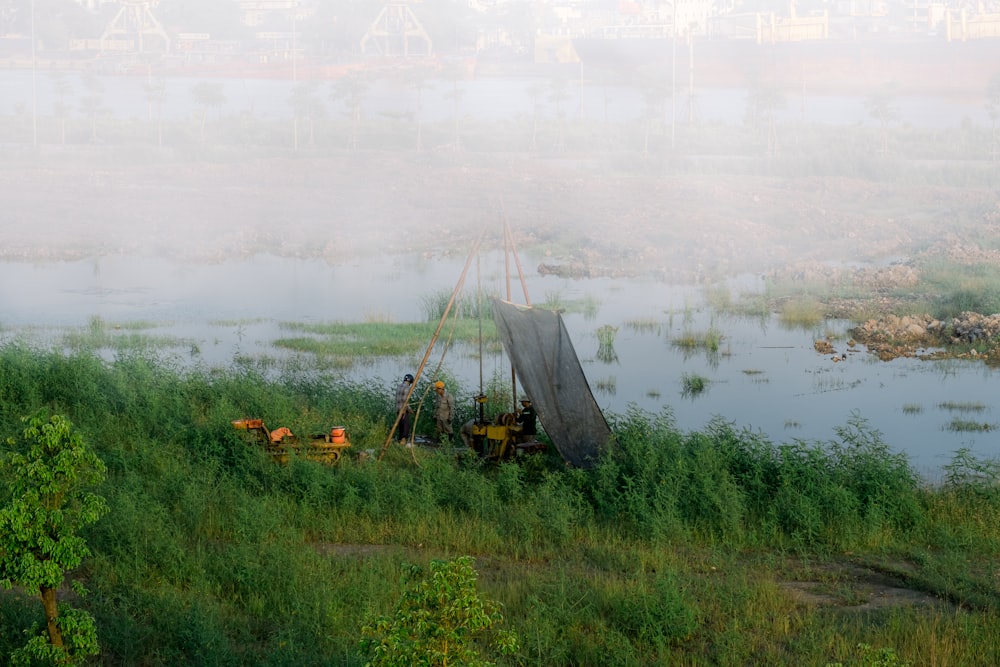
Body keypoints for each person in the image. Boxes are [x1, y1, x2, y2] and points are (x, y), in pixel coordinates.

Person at [395, 373, 414, 442]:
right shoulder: (407, 388)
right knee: (406, 425)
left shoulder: (399, 386)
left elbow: (398, 399)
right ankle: (403, 439)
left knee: (401, 425)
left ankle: (400, 439)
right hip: (403, 410)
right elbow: (405, 401)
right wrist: (409, 409)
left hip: (398, 408)